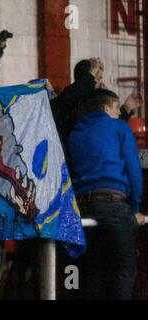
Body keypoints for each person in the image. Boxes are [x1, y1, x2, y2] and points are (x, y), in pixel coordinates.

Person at [68, 88, 145, 300]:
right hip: (113, 205)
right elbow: (133, 170)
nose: (119, 114)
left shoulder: (75, 132)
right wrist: (135, 209)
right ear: (105, 107)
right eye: (116, 109)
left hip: (82, 209)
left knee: (93, 274)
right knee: (124, 270)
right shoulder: (119, 127)